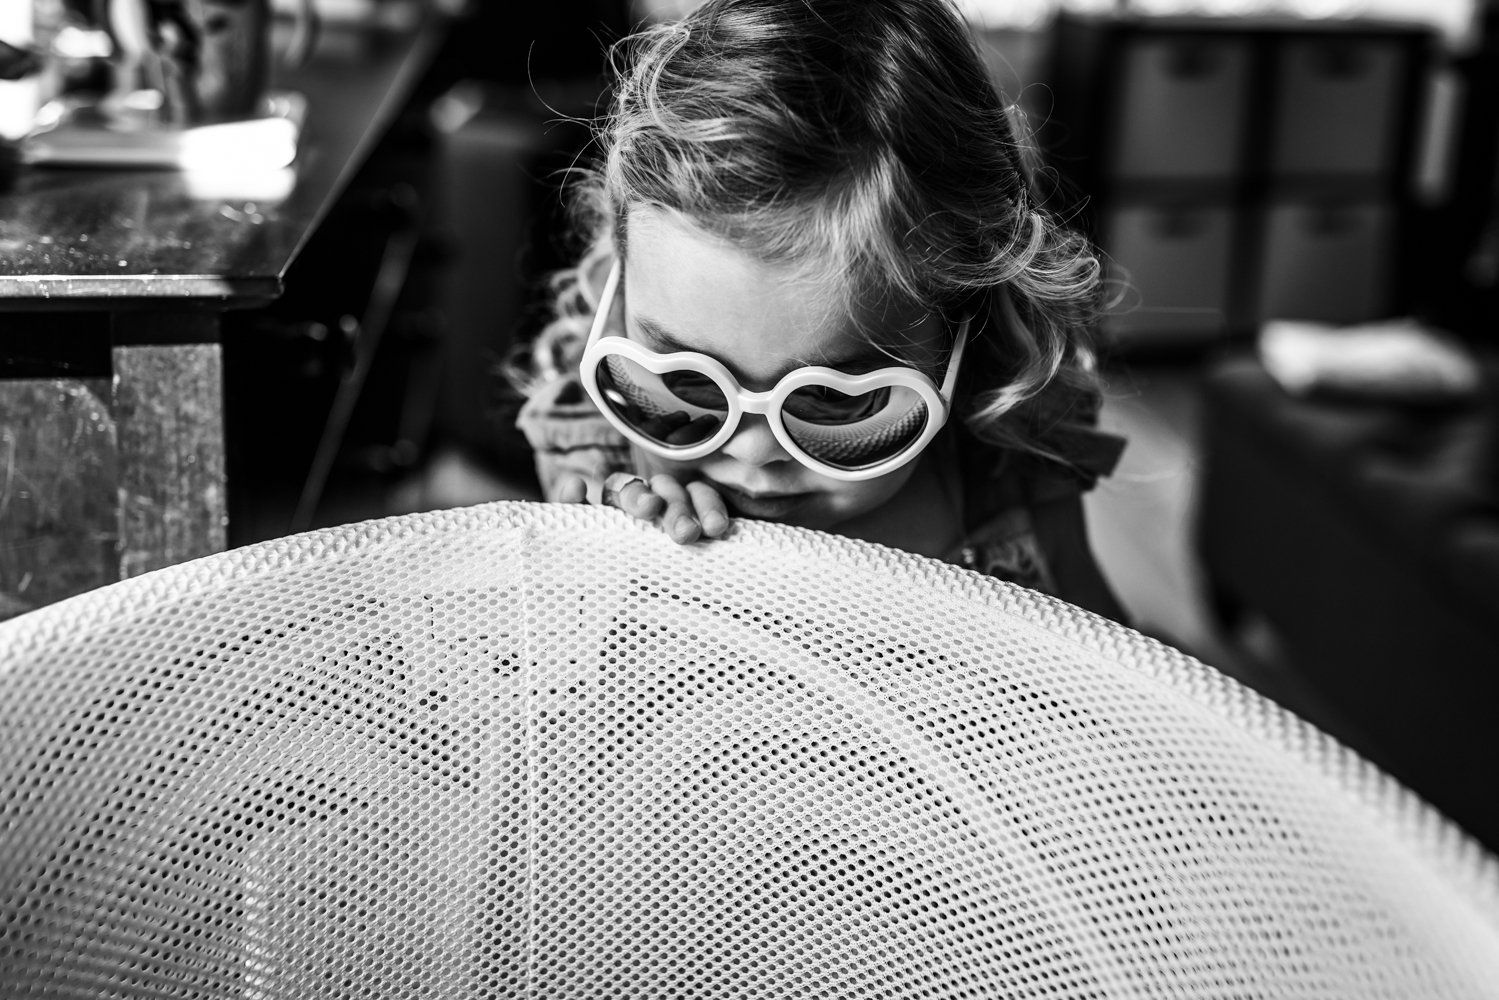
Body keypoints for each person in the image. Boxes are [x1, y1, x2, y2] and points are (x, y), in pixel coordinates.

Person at [512, 0, 1128, 621]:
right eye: (686, 385)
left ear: (965, 336)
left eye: (834, 400)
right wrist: (609, 555)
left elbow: (1116, 669)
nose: (753, 456)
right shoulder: (605, 464)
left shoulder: (1007, 470)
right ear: (611, 301)